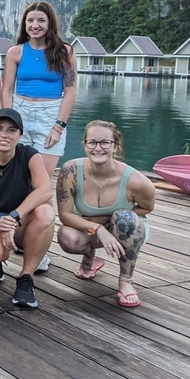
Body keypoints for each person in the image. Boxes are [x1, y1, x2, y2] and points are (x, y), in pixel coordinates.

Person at [55, 120, 155, 308]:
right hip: (91, 227)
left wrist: (110, 219)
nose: (98, 148)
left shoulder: (137, 181)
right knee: (66, 236)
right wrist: (98, 228)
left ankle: (126, 281)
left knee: (124, 219)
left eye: (105, 143)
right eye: (92, 142)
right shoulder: (70, 171)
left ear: (115, 146)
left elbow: (147, 208)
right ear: (85, 145)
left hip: (128, 228)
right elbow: (65, 215)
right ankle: (89, 259)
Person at [0, 108, 56, 309]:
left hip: (18, 216)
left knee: (46, 212)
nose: (4, 135)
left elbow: (45, 190)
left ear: (20, 134)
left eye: (12, 130)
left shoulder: (29, 155)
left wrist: (14, 217)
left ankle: (25, 278)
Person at [2, 1, 77, 173]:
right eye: (30, 21)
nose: (35, 25)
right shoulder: (15, 52)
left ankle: (40, 201)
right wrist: (8, 121)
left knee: (42, 176)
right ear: (24, 24)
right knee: (15, 173)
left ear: (50, 23)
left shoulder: (65, 52)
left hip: (50, 115)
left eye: (41, 20)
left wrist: (58, 127)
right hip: (20, 112)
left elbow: (70, 91)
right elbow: (6, 90)